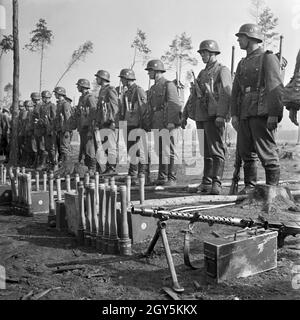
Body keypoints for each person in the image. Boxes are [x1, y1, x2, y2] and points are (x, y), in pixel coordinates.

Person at [231, 23, 284, 191]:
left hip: (262, 111)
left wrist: (274, 113)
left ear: (251, 38)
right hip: (245, 111)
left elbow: (275, 86)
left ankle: (272, 190)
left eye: (241, 37)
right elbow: (235, 92)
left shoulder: (267, 58)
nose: (239, 40)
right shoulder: (242, 63)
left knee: (267, 152)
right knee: (246, 152)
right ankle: (249, 187)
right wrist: (234, 114)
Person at [182, 40, 232, 195]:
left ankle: (216, 183)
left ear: (213, 53)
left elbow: (226, 93)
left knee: (216, 149)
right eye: (201, 53)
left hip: (214, 116)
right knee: (205, 151)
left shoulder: (222, 70)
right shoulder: (203, 73)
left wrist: (221, 115)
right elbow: (193, 96)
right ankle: (206, 182)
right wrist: (184, 115)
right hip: (201, 116)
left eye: (205, 52)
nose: (202, 55)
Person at [145, 59, 182, 186]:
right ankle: (162, 176)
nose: (148, 73)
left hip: (167, 121)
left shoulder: (168, 85)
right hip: (157, 122)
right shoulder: (153, 88)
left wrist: (172, 122)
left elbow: (174, 104)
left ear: (156, 71)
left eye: (150, 71)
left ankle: (172, 178)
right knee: (160, 149)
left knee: (170, 150)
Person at [118, 68, 149, 184]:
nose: (121, 80)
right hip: (128, 124)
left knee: (140, 150)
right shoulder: (127, 92)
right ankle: (132, 174)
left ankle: (142, 175)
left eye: (122, 78)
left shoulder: (138, 90)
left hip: (137, 125)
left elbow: (143, 108)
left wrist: (143, 125)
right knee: (131, 150)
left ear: (127, 78)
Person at [94, 70, 119, 174]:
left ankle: (112, 168)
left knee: (111, 146)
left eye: (98, 78)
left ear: (103, 78)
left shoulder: (110, 89)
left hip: (109, 123)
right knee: (105, 146)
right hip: (102, 123)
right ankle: (108, 167)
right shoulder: (102, 90)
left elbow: (114, 106)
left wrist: (113, 121)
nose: (96, 79)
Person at [75, 78, 97, 172]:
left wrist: (92, 127)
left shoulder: (90, 97)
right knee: (83, 147)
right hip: (82, 126)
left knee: (89, 148)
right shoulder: (81, 97)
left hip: (88, 127)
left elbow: (93, 112)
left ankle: (92, 168)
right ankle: (87, 168)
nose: (77, 87)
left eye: (78, 86)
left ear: (83, 86)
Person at [53, 87, 73, 166]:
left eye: (56, 93)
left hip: (65, 130)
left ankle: (67, 166)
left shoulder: (65, 104)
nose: (55, 95)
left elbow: (68, 118)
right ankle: (64, 165)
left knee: (65, 148)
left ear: (60, 94)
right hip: (60, 129)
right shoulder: (59, 104)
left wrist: (67, 130)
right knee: (62, 148)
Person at [38, 90, 57, 170]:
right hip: (44, 129)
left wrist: (52, 129)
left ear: (48, 98)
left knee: (51, 148)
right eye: (43, 98)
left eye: (45, 98)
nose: (44, 99)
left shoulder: (52, 106)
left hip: (50, 130)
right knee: (45, 147)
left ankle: (54, 164)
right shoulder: (42, 107)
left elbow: (54, 119)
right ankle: (47, 164)